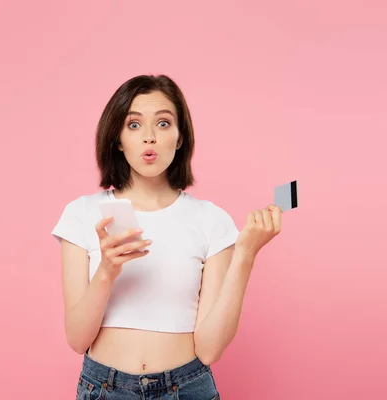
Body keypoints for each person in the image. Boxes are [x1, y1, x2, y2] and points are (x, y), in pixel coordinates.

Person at [51, 74, 282, 400]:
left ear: (179, 138)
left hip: (188, 389)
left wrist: (245, 254)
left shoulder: (211, 220)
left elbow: (210, 350)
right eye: (134, 125)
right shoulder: (82, 214)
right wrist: (107, 271)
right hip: (104, 389)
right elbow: (77, 339)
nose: (149, 137)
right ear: (117, 138)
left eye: (162, 124)